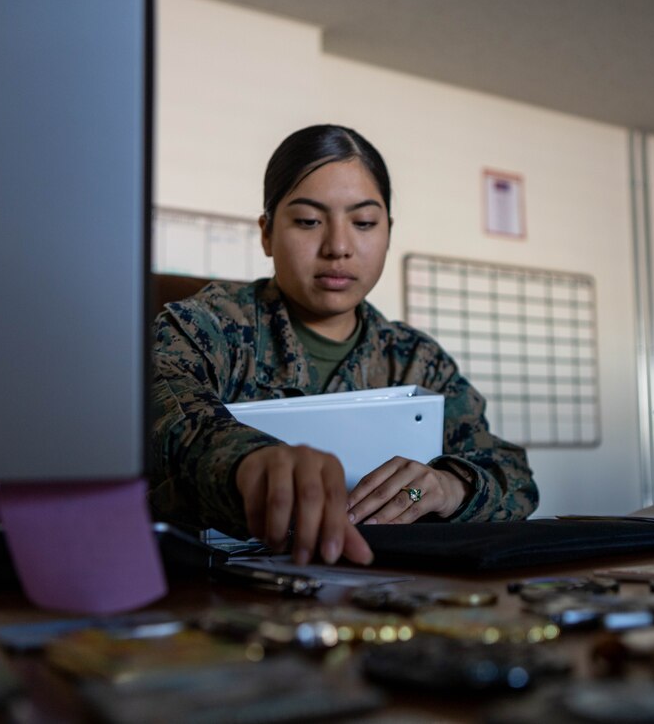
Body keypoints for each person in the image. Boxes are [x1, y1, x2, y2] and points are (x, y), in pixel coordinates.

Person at [150, 124, 538, 566]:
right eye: (308, 221)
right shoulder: (204, 328)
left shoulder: (416, 361)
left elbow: (513, 476)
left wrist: (451, 487)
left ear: (388, 233)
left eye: (364, 223)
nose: (338, 247)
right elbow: (161, 422)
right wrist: (247, 461)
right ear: (267, 233)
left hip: (387, 587)